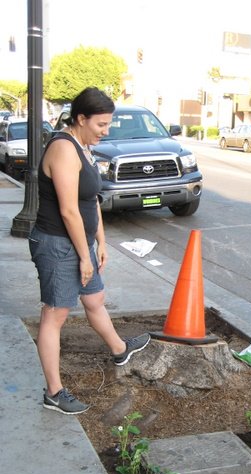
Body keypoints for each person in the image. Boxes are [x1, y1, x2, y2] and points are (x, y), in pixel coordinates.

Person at [29, 87, 151, 415]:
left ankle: (119, 349)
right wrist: (83, 256)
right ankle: (54, 392)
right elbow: (68, 210)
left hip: (81, 243)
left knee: (95, 299)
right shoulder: (63, 148)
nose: (106, 131)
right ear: (81, 119)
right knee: (54, 315)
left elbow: (91, 200)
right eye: (101, 124)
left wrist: (101, 241)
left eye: (108, 124)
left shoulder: (84, 146)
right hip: (57, 244)